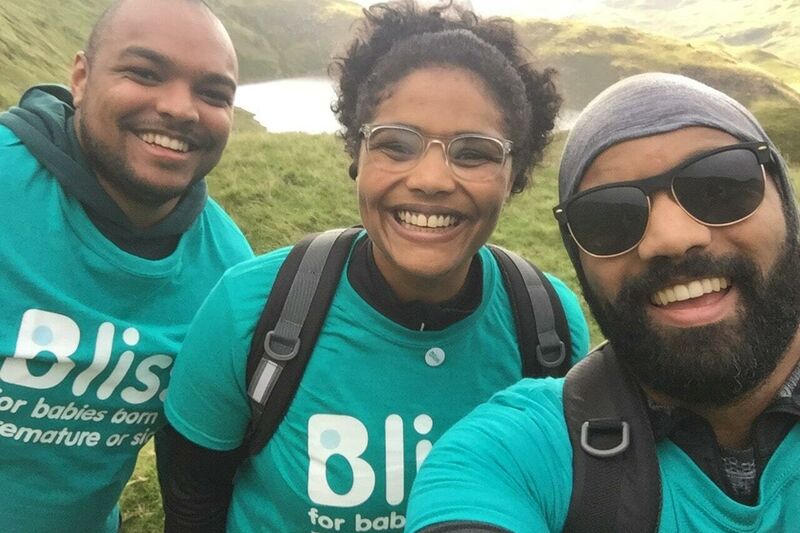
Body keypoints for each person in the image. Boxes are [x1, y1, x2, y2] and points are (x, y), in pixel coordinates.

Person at [160, 1, 590, 531]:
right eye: (396, 144)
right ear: (357, 155)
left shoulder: (545, 328)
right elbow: (192, 502)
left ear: (514, 174)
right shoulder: (250, 311)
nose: (431, 178)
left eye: (474, 152)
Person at [405, 71, 800, 532]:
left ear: (786, 207)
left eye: (720, 186)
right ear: (580, 261)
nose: (671, 239)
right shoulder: (514, 454)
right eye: (609, 216)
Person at [0, 0, 253, 531]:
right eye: (144, 73)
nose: (181, 109)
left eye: (213, 94)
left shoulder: (228, 275)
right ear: (82, 76)